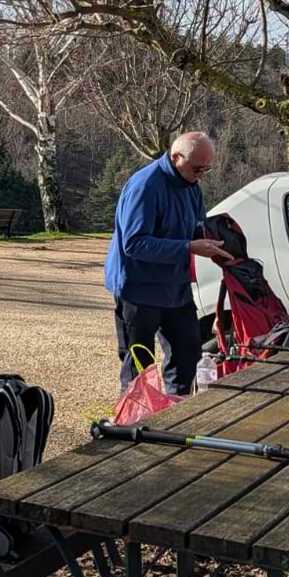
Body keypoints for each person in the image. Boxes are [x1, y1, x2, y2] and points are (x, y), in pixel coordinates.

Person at [104, 131, 232, 396]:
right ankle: (138, 415)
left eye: (206, 169)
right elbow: (134, 244)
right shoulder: (145, 186)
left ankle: (178, 410)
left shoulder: (192, 185)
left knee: (187, 356)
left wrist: (219, 240)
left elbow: (195, 228)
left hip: (176, 287)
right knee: (139, 365)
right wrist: (188, 247)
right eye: (197, 168)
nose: (201, 175)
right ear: (176, 158)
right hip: (138, 289)